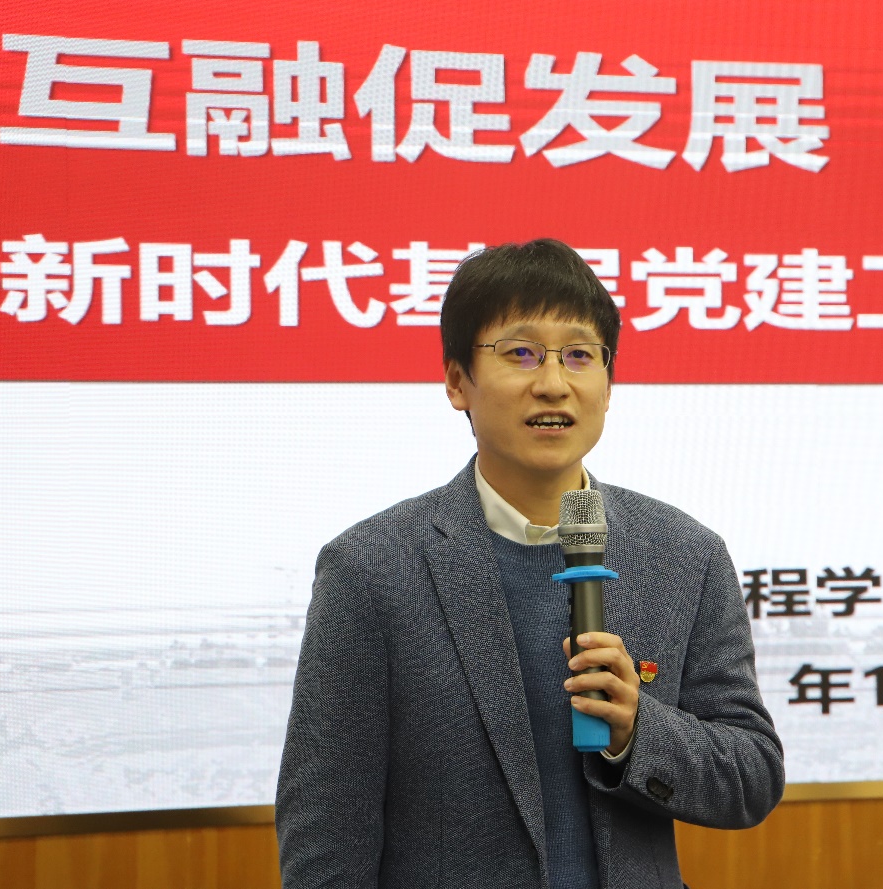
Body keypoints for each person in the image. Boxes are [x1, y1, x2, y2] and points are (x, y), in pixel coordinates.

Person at [276, 238, 784, 889]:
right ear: (457, 381)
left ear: (608, 384)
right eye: (520, 353)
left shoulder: (685, 555)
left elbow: (751, 774)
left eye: (579, 355)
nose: (553, 383)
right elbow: (326, 833)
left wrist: (637, 729)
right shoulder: (370, 569)